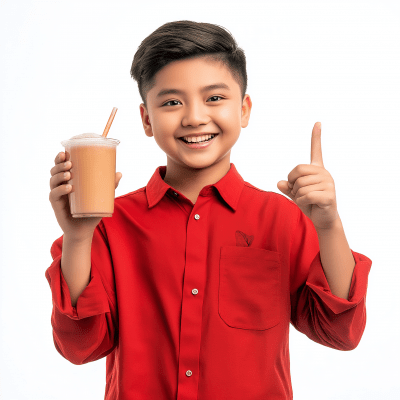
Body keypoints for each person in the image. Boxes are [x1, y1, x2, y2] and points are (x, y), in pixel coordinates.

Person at [47, 20, 372, 400]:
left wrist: (329, 226)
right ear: (147, 120)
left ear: (244, 110)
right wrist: (77, 236)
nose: (194, 117)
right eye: (171, 102)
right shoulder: (108, 225)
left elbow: (340, 332)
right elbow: (79, 347)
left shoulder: (282, 218)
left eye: (214, 98)